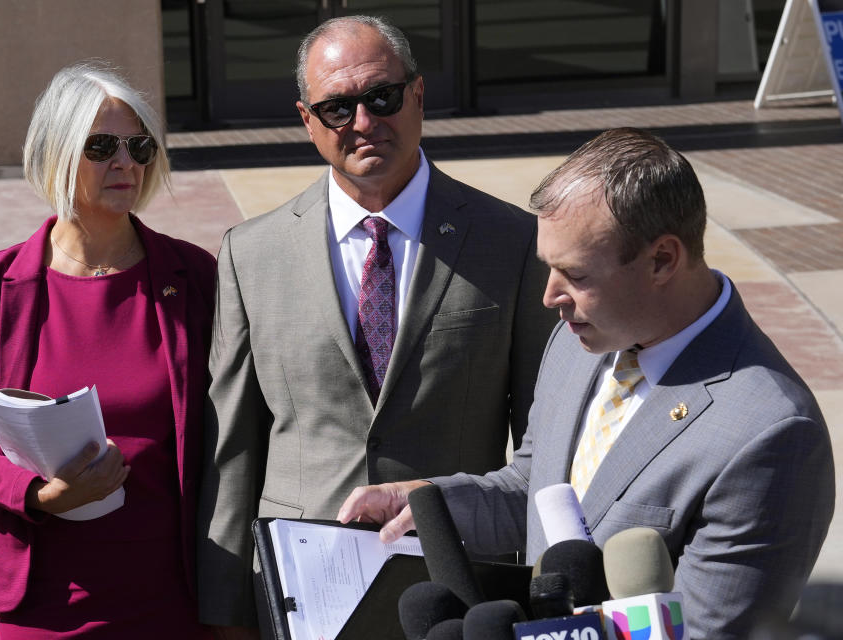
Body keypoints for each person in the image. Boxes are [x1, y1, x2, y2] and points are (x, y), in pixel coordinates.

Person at [337, 128, 835, 639]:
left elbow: (708, 633)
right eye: (548, 268)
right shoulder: (582, 341)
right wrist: (429, 503)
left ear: (662, 260)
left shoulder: (769, 434)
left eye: (574, 274)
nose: (550, 296)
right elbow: (539, 490)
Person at [197, 15, 555, 628]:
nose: (363, 123)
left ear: (418, 95)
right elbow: (233, 449)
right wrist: (225, 606)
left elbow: (541, 441)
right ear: (308, 121)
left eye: (382, 97)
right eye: (336, 107)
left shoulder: (513, 242)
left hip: (458, 582)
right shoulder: (248, 254)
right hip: (300, 591)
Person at [0, 62, 222, 638]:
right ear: (55, 152)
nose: (126, 162)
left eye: (139, 146)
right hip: (45, 596)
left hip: (173, 594)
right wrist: (39, 493)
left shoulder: (193, 274)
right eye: (101, 146)